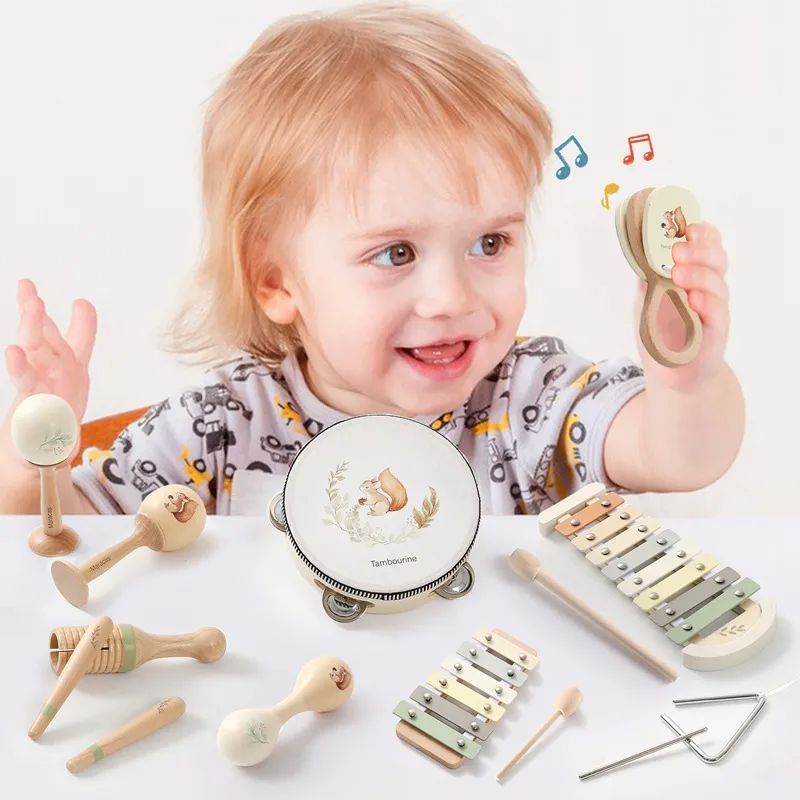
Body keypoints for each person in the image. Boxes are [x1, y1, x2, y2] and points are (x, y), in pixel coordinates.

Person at [0, 3, 743, 517]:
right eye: (395, 253)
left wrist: (685, 386)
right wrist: (35, 444)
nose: (451, 296)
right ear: (275, 281)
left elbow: (680, 459)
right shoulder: (219, 432)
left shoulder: (533, 401)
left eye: (491, 243)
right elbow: (57, 540)